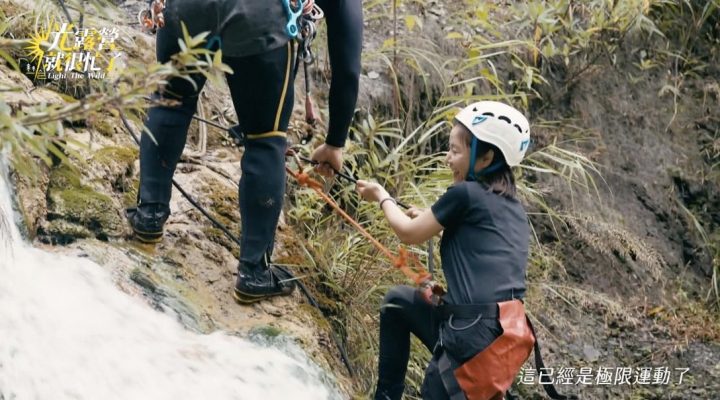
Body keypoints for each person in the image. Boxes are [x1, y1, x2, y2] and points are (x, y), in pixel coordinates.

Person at [127, 0, 340, 303]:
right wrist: (335, 141)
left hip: (184, 9)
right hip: (260, 18)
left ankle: (149, 215)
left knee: (170, 99)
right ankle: (253, 272)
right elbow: (347, 54)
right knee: (265, 139)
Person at [356, 101, 535, 399]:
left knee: (436, 390)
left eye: (455, 151)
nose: (447, 159)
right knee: (397, 303)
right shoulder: (513, 208)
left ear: (485, 157)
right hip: (499, 337)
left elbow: (408, 234)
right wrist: (429, 216)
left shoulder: (465, 194)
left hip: (471, 338)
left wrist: (381, 196)